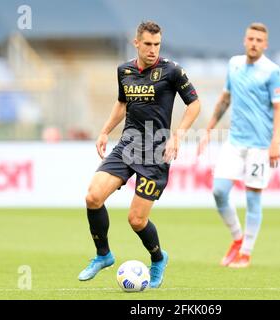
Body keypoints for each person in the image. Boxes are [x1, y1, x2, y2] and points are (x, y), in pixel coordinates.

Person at [78, 21, 201, 288]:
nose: (153, 49)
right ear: (137, 43)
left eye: (157, 44)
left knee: (136, 220)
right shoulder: (124, 71)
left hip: (156, 152)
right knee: (93, 196)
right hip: (128, 145)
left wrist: (178, 136)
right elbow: (122, 102)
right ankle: (103, 255)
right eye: (147, 44)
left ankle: (158, 259)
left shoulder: (172, 71)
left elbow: (194, 104)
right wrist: (104, 131)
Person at [197, 23, 280, 268]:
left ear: (265, 45)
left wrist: (275, 142)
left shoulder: (272, 71)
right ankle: (237, 238)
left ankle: (246, 253)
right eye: (251, 38)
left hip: (260, 146)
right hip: (235, 142)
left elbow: (279, 109)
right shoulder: (234, 64)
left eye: (259, 40)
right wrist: (208, 130)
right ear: (244, 40)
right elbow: (225, 99)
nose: (254, 43)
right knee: (219, 191)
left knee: (253, 198)